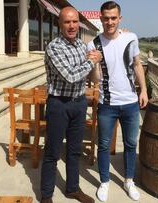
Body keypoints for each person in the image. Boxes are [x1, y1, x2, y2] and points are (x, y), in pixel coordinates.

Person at [87, 1, 148, 202]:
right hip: (107, 103)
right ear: (101, 18)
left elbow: (138, 65)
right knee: (103, 145)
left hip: (130, 102)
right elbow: (95, 79)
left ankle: (128, 180)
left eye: (114, 18)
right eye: (106, 18)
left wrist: (144, 90)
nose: (110, 22)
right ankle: (104, 182)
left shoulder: (130, 38)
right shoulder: (93, 44)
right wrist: (94, 63)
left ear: (119, 18)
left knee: (131, 144)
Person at [40, 6, 102, 203]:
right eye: (67, 22)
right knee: (52, 152)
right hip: (59, 104)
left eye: (75, 21)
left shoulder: (81, 46)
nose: (72, 25)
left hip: (79, 102)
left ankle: (72, 189)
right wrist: (91, 62)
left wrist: (95, 62)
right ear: (60, 24)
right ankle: (46, 195)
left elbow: (92, 78)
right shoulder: (54, 47)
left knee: (74, 150)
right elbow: (71, 77)